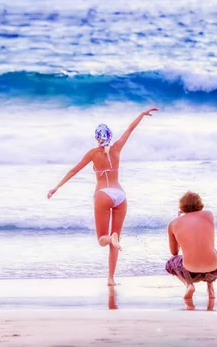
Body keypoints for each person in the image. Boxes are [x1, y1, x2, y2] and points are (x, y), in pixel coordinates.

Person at [47, 108, 158, 286]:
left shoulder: (93, 153)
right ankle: (111, 279)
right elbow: (130, 129)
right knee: (116, 240)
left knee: (102, 240)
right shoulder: (117, 149)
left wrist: (56, 187)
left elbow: (74, 170)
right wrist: (141, 114)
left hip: (103, 195)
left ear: (97, 138)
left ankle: (111, 240)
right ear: (110, 136)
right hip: (120, 195)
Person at [166, 191, 217, 301]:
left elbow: (174, 252)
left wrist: (179, 218)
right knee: (213, 251)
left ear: (181, 207)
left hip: (189, 272)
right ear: (200, 204)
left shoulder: (173, 224)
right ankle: (210, 287)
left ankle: (188, 285)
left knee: (170, 263)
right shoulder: (209, 215)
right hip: (212, 269)